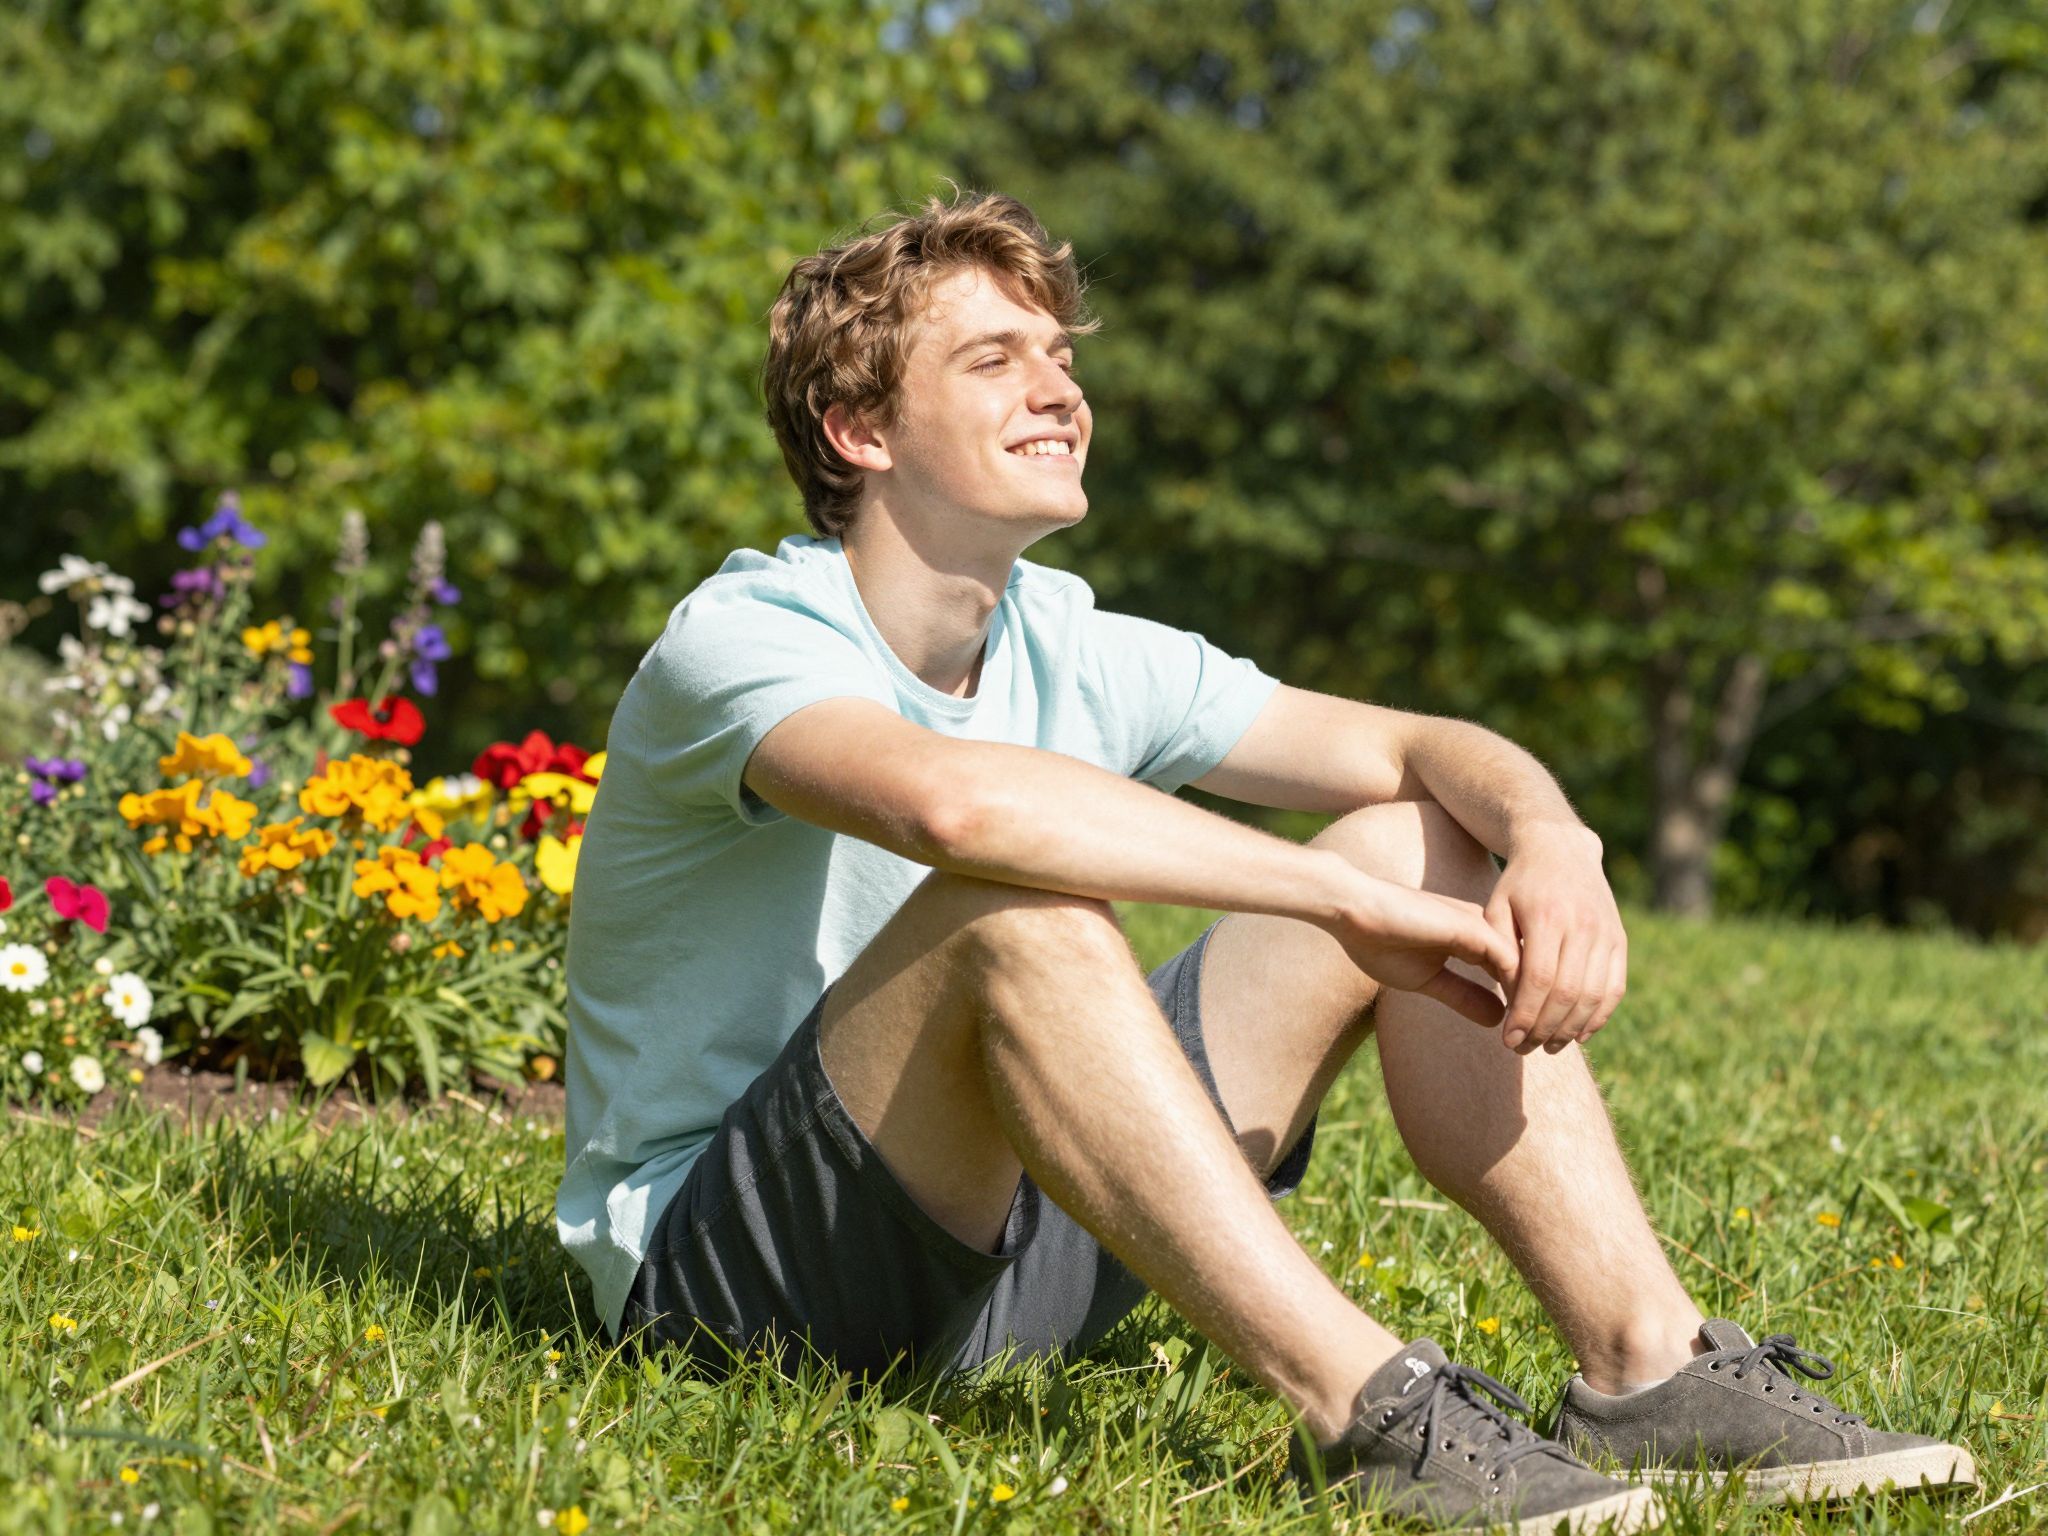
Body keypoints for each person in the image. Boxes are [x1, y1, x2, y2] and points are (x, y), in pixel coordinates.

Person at [554, 187, 1975, 1532]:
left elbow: (1423, 747)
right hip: (737, 1287)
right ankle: (1368, 1413)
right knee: (1017, 911)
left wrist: (1553, 835)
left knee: (1426, 838)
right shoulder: (742, 641)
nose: (1062, 390)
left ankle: (1648, 1370)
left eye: (1060, 355)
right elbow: (956, 815)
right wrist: (1340, 900)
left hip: (1012, 1240)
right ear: (858, 427)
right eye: (996, 358)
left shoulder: (1074, 639)